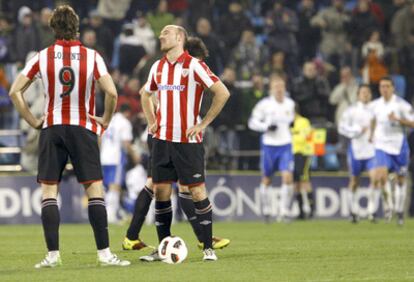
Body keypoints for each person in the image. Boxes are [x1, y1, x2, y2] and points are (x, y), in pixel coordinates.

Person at [8, 5, 129, 268]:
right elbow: (111, 93)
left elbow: (15, 92)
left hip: (52, 128)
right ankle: (104, 254)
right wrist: (106, 120)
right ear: (77, 27)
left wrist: (33, 120)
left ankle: (52, 256)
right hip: (82, 127)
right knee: (95, 189)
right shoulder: (92, 56)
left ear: (53, 28)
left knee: (50, 192)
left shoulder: (42, 56)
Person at [122, 37, 230, 254]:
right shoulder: (165, 68)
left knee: (169, 186)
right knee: (159, 184)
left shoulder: (189, 69)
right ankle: (134, 236)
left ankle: (136, 236)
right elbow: (146, 93)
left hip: (178, 134)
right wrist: (153, 120)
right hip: (163, 134)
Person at [248, 75, 295, 223]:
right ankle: (267, 210)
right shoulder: (264, 105)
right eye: (276, 86)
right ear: (271, 89)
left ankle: (284, 211)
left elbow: (291, 122)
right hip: (269, 145)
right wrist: (265, 127)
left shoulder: (290, 104)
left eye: (281, 86)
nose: (279, 89)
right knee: (267, 179)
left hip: (286, 144)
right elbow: (252, 122)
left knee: (287, 177)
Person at [369, 77, 414, 225]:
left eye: (387, 86)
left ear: (393, 88)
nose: (384, 89)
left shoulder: (402, 105)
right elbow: (373, 119)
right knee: (381, 176)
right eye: (382, 86)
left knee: (401, 181)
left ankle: (400, 211)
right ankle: (388, 206)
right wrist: (371, 134)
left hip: (399, 146)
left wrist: (399, 120)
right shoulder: (375, 105)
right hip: (381, 145)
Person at [338, 84, 376, 223]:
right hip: (356, 150)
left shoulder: (375, 110)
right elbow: (342, 128)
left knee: (375, 179)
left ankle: (371, 211)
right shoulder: (351, 111)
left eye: (367, 92)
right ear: (358, 95)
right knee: (354, 181)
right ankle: (353, 211)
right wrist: (356, 130)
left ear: (370, 94)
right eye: (362, 92)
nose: (365, 95)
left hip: (372, 150)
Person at [100, 103, 139, 223]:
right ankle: (110, 215)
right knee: (115, 186)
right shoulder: (125, 123)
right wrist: (134, 156)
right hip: (116, 157)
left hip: (103, 157)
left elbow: (100, 138)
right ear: (127, 112)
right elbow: (126, 143)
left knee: (106, 187)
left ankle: (108, 214)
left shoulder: (109, 120)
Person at [291, 104, 314, 220]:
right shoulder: (288, 123)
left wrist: (293, 134)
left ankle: (311, 210)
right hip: (291, 154)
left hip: (303, 153)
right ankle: (300, 211)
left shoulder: (304, 121)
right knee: (296, 183)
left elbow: (304, 137)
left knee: (305, 180)